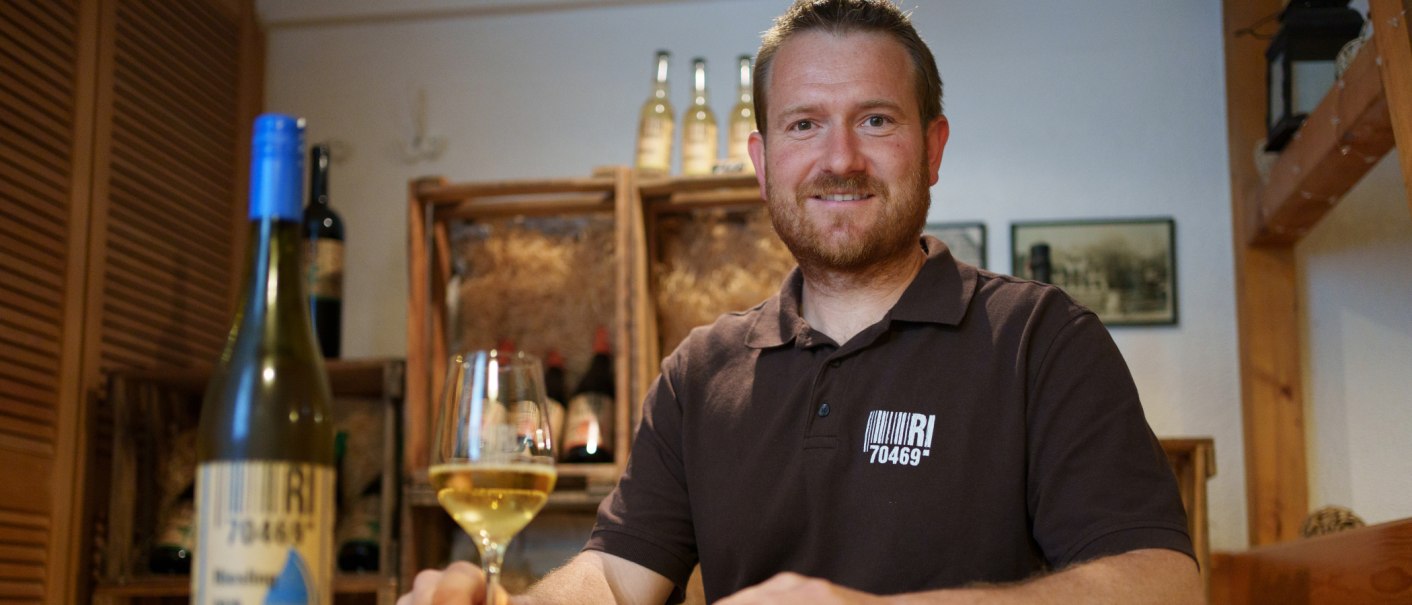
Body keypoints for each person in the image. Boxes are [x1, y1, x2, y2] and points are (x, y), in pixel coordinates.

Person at [401, 1, 1203, 603]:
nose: (839, 158)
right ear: (762, 160)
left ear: (933, 149)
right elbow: (612, 578)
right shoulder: (700, 373)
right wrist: (498, 599)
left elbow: (1163, 583)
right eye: (804, 124)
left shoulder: (1041, 339)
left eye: (877, 120)